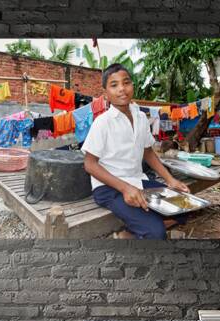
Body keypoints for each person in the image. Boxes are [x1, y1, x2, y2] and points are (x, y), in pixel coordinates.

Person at [82, 63, 192, 240]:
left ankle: (130, 234)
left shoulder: (140, 117)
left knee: (184, 205)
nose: (122, 89)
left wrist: (170, 180)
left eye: (126, 82)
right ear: (105, 93)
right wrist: (125, 188)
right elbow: (89, 164)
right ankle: (147, 230)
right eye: (114, 85)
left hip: (137, 182)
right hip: (109, 188)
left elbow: (148, 152)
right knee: (156, 233)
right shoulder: (103, 122)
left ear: (133, 85)